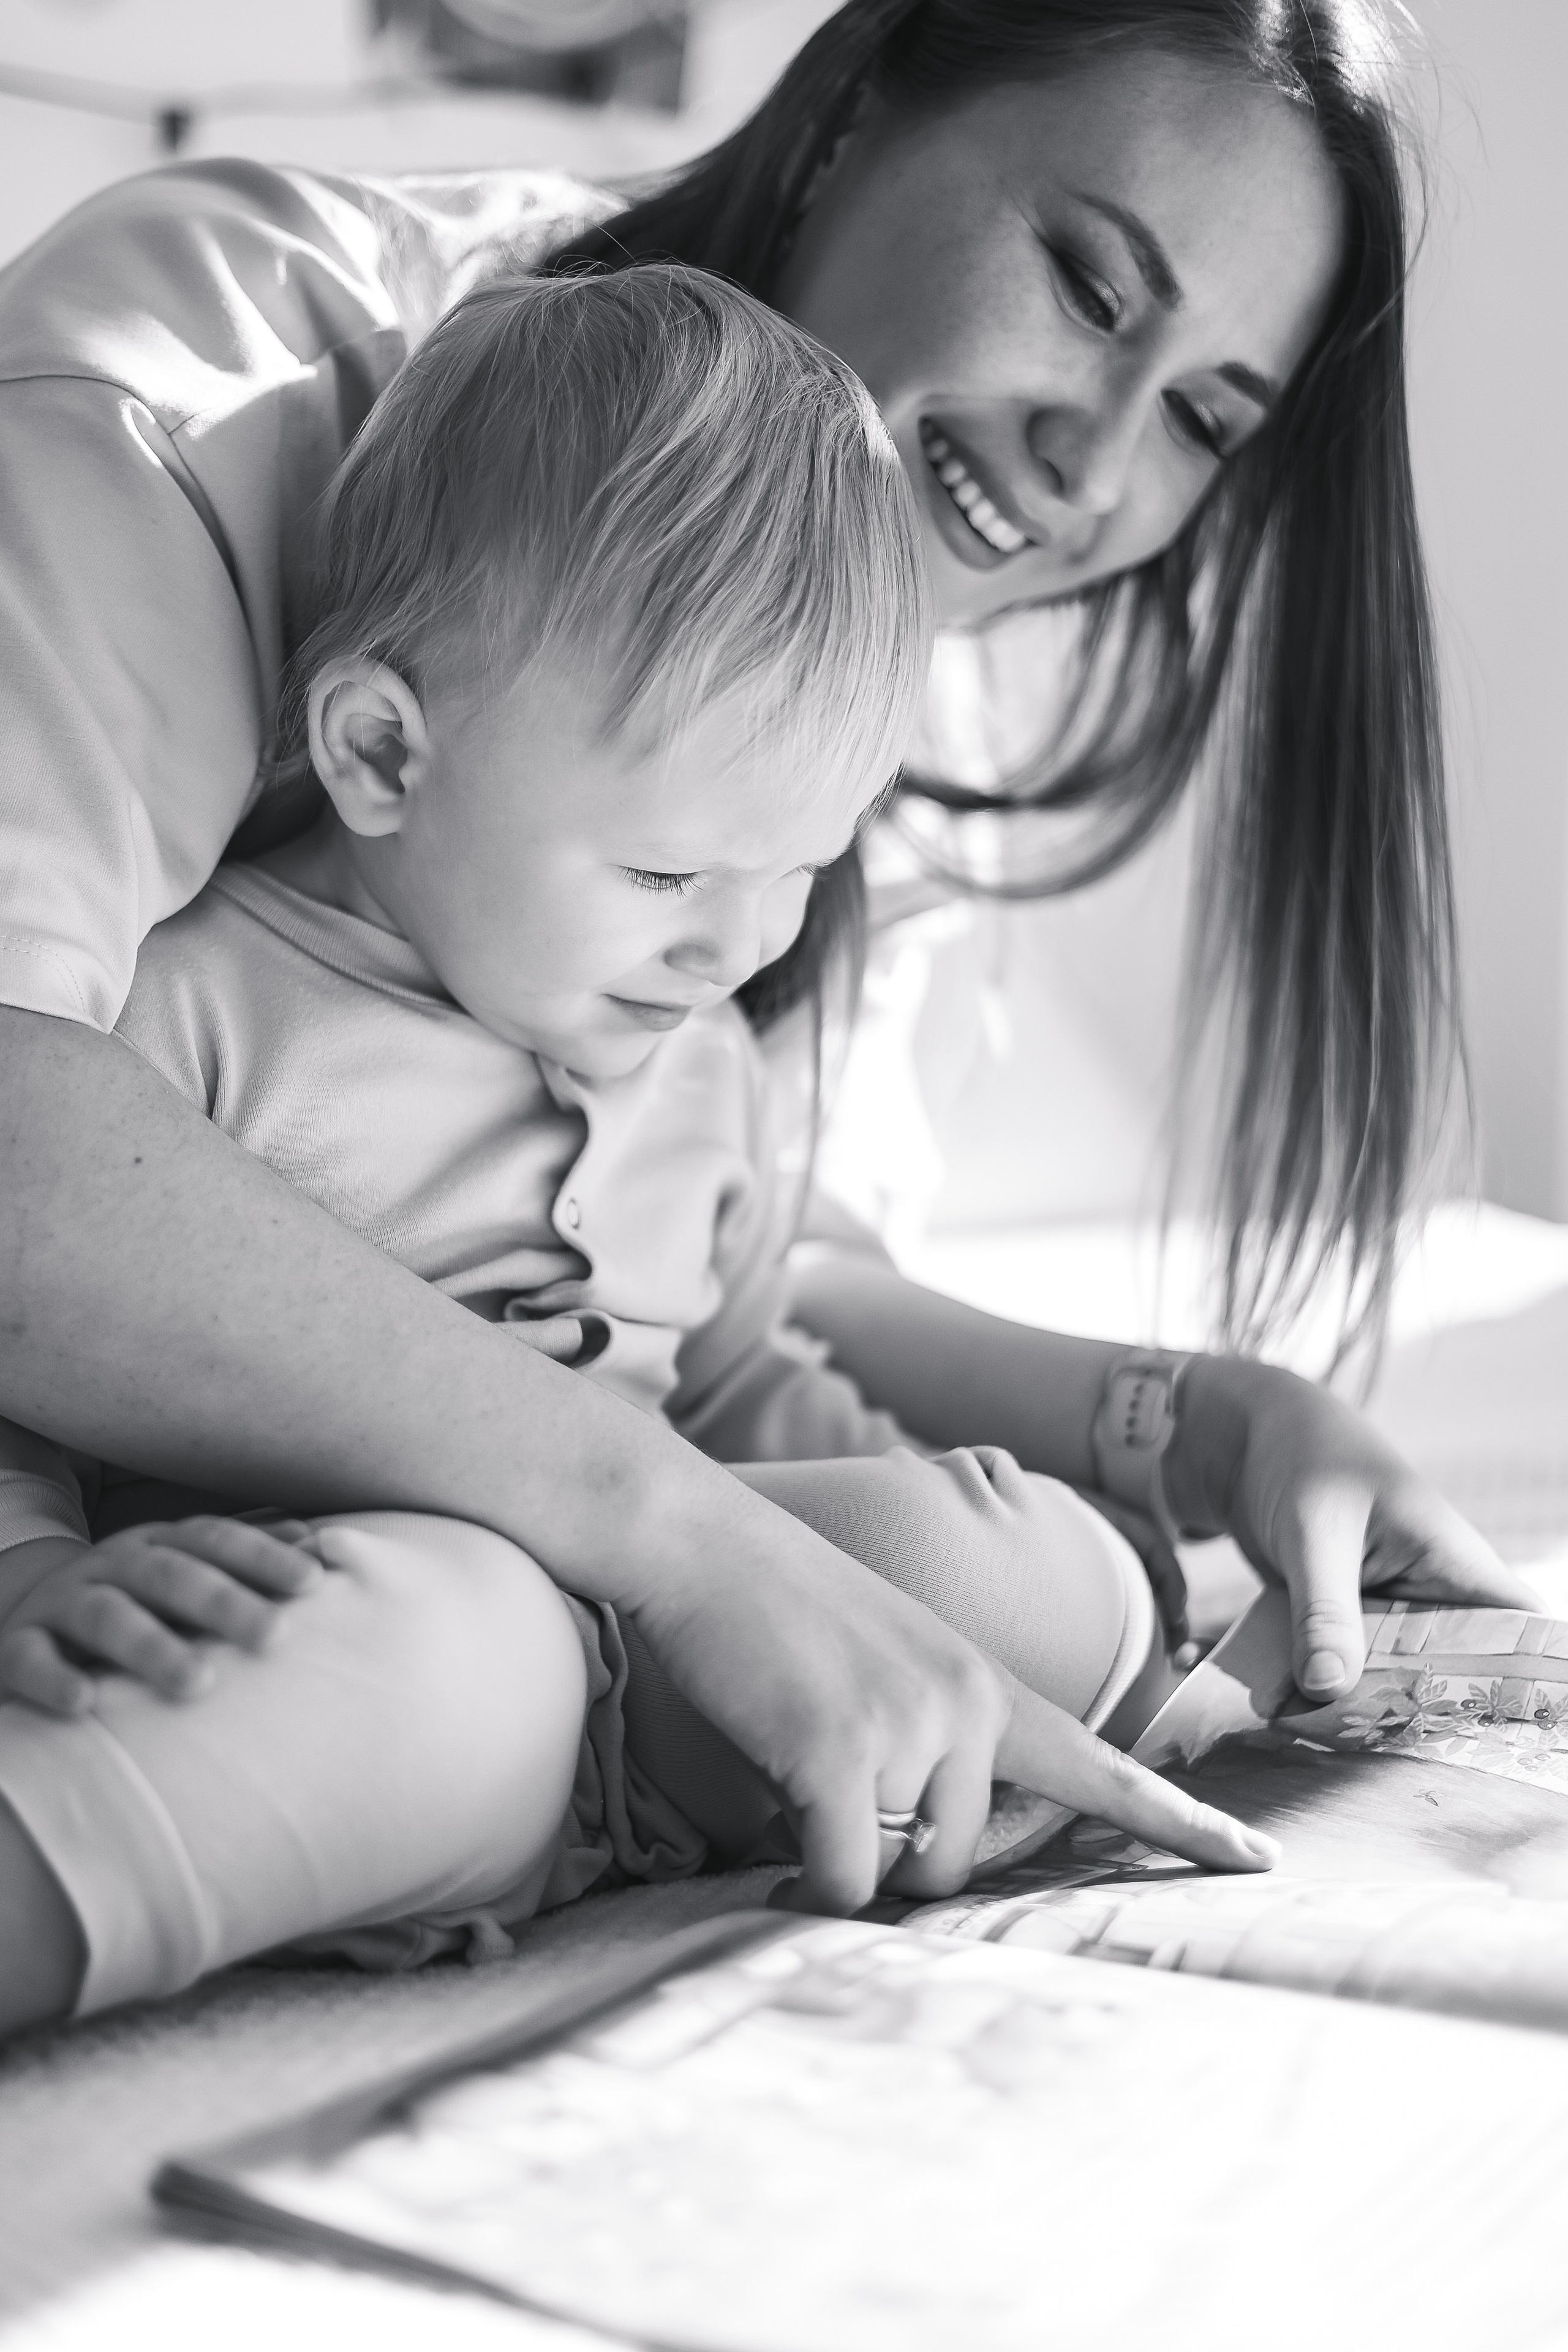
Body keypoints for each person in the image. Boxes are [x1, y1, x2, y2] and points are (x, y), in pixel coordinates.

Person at [0, 0, 1531, 1946]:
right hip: (360, 1588)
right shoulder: (214, 381)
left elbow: (758, 1279)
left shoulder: (878, 697)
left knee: (1009, 1568)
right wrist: (678, 1536)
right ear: (851, 116)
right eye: (1084, 282)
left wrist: (1174, 1421)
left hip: (592, 1617)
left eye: (1213, 419)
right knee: (453, 1663)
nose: (1095, 460)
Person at [0, 265, 1278, 2032]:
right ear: (382, 750)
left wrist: (942, 1560)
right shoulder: (192, 1012)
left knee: (1001, 1545)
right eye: (672, 874)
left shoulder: (703, 1063)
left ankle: (1106, 1703)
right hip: (407, 1657)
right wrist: (32, 1577)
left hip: (680, 1688)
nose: (739, 947)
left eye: (808, 864)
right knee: (435, 1657)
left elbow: (754, 1378)